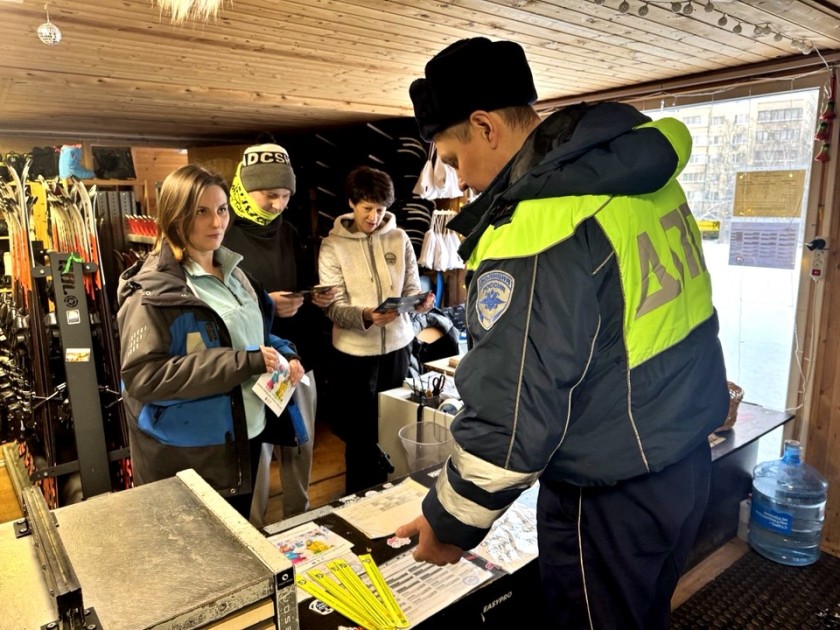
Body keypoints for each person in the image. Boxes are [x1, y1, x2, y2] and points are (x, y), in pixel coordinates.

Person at [395, 37, 730, 629]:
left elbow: (513, 413)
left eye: (450, 157)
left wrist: (449, 523)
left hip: (608, 496)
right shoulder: (645, 182)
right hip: (684, 466)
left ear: (485, 127)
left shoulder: (538, 227)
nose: (458, 180)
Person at [117, 164, 305, 519]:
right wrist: (244, 362)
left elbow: (255, 335)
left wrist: (285, 353)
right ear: (176, 215)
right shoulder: (152, 292)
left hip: (247, 434)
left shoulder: (237, 273)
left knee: (241, 539)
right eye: (201, 212)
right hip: (192, 455)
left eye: (221, 210)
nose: (217, 223)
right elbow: (145, 376)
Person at [222, 142, 335, 524]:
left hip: (298, 356)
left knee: (300, 445)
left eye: (286, 195)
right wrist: (266, 303)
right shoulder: (223, 235)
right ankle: (250, 530)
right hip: (252, 357)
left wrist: (316, 296)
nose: (278, 204)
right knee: (259, 449)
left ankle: (298, 521)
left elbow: (302, 280)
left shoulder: (289, 231)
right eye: (270, 194)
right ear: (244, 187)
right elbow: (214, 302)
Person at [318, 165, 434, 493]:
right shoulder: (332, 246)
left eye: (381, 210)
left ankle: (397, 492)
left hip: (399, 346)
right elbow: (331, 306)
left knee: (398, 423)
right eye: (367, 208)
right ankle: (358, 497)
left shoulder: (399, 238)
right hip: (355, 355)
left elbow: (412, 284)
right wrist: (366, 315)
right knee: (360, 433)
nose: (374, 217)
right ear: (351, 203)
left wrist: (421, 303)